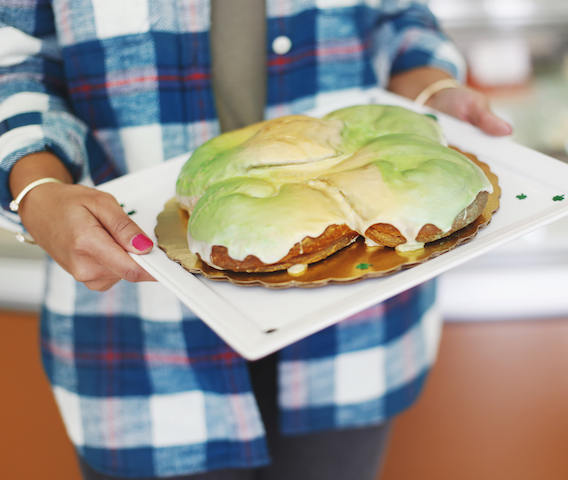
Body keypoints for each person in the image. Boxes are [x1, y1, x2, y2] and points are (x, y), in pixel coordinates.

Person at [0, 1, 511, 479]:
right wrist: (38, 188)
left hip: (355, 333)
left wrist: (431, 94)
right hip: (141, 338)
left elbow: (399, 18)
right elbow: (13, 56)